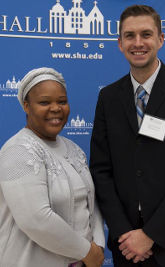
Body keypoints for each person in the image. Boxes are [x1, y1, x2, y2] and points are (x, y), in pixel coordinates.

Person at [90, 4, 165, 267]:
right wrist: (123, 234)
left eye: (146, 34)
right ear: (119, 43)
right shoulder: (108, 97)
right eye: (129, 35)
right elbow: (100, 170)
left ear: (161, 39)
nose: (138, 43)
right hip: (126, 246)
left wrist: (151, 234)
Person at [0, 67, 105, 267]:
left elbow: (92, 202)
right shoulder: (18, 150)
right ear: (26, 106)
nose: (56, 108)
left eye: (62, 102)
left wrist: (98, 245)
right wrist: (86, 251)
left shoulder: (73, 148)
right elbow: (35, 219)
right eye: (44, 102)